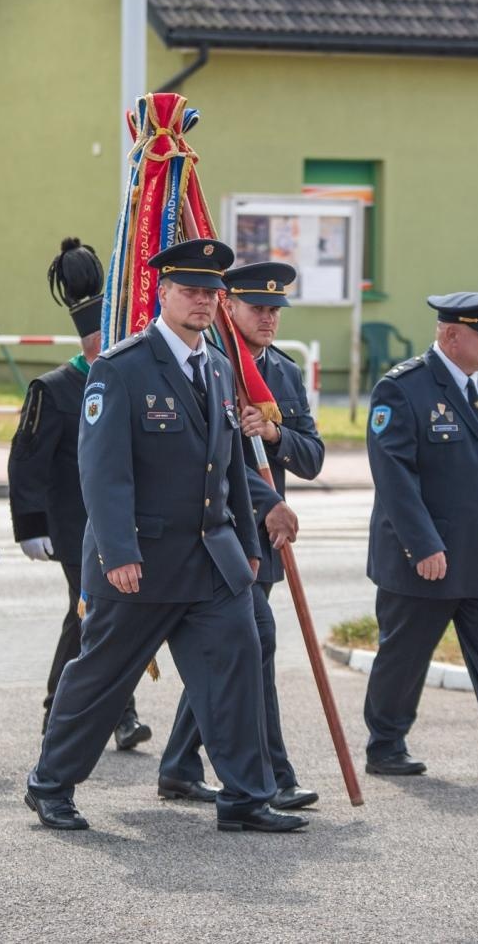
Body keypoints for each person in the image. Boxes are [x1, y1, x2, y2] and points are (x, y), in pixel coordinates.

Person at [27, 238, 305, 835]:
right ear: (164, 293)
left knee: (238, 664)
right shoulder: (120, 369)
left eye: (211, 292)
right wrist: (118, 551)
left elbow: (227, 465)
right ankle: (50, 784)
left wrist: (252, 543)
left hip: (211, 560)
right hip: (141, 562)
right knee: (101, 677)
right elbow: (102, 472)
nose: (203, 301)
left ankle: (246, 796)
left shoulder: (219, 367)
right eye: (191, 290)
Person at [157, 260, 321, 810]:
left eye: (276, 310)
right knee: (254, 644)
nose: (270, 319)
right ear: (229, 307)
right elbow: (210, 463)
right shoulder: (211, 364)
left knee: (232, 655)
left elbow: (313, 456)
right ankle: (274, 774)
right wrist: (267, 499)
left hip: (266, 541)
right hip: (222, 535)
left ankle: (180, 765)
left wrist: (275, 432)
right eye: (259, 308)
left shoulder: (285, 371)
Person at [362, 290, 478, 781]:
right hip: (425, 556)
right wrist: (422, 544)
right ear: (449, 335)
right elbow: (394, 476)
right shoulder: (403, 389)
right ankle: (386, 742)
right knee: (404, 655)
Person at [9, 238, 149, 749]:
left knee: (111, 614)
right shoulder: (57, 388)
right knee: (92, 611)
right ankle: (74, 710)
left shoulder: (134, 382)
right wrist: (30, 526)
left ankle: (99, 712)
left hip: (127, 521)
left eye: (107, 339)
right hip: (74, 528)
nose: (100, 350)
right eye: (93, 341)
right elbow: (25, 461)